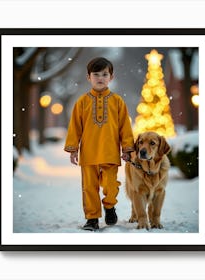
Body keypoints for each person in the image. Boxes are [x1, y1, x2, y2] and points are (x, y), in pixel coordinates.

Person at [64, 57, 134, 231]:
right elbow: (75, 127)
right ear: (89, 77)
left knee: (111, 185)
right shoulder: (82, 102)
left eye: (105, 74)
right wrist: (73, 149)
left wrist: (127, 149)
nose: (100, 78)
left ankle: (109, 206)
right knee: (89, 188)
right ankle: (92, 218)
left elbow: (125, 127)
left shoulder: (117, 101)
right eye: (96, 74)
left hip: (110, 152)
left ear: (111, 77)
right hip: (88, 153)